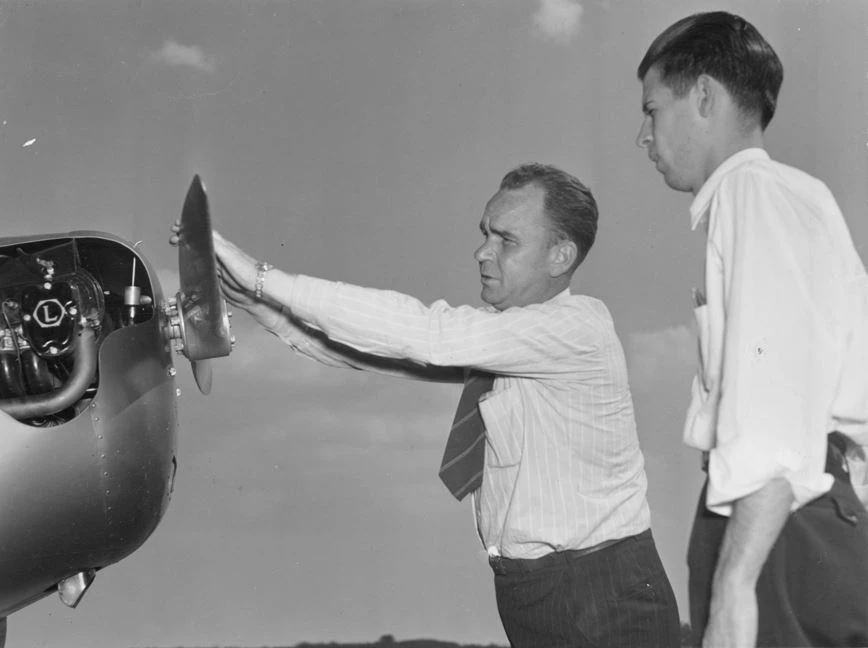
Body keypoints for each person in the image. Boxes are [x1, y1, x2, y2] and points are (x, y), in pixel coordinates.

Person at [200, 163, 681, 647]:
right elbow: (375, 354)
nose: (482, 252)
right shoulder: (511, 340)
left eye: (506, 241)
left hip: (600, 595)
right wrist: (260, 307)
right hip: (535, 594)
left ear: (560, 257)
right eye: (484, 234)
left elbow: (426, 334)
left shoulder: (577, 328)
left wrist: (265, 278)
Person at [635, 11, 868, 648]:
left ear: (704, 96)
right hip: (803, 516)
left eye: (652, 110)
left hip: (774, 532)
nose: (644, 136)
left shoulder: (753, 196)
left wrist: (736, 586)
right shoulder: (796, 198)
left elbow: (772, 412)